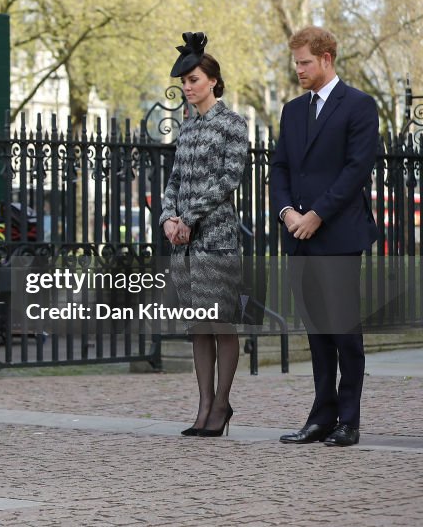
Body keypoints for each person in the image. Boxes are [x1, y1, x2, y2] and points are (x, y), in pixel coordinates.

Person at [271, 26, 379, 448]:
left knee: (344, 333)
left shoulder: (359, 105)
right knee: (316, 332)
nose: (298, 70)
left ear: (327, 58)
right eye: (295, 63)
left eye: (305, 62)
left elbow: (356, 170)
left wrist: (317, 214)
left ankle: (348, 421)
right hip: (298, 235)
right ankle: (321, 417)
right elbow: (279, 168)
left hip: (338, 234)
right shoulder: (292, 111)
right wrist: (287, 213)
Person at [159, 32, 248, 438]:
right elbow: (174, 180)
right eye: (184, 82)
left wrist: (189, 217)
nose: (187, 88)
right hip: (185, 244)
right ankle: (203, 406)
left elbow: (229, 179)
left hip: (218, 240)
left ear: (212, 80)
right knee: (198, 327)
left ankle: (222, 404)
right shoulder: (187, 129)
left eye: (193, 80)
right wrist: (167, 218)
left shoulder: (232, 124)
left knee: (221, 324)